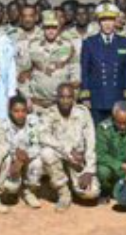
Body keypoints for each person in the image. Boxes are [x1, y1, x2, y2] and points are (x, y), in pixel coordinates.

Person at [38, 83, 98, 211]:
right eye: (62, 97)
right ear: (57, 98)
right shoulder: (49, 113)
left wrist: (89, 170)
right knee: (46, 153)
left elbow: (91, 142)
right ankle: (63, 193)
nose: (65, 101)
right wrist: (68, 150)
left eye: (69, 97)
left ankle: (73, 187)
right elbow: (43, 136)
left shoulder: (83, 112)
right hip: (60, 157)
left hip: (78, 161)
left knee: (91, 193)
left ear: (74, 98)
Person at [79, 2, 126, 123]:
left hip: (118, 95)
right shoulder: (89, 43)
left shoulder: (124, 42)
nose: (107, 24)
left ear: (115, 21)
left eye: (110, 20)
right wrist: (85, 96)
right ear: (98, 22)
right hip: (97, 97)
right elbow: (85, 71)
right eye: (104, 20)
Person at [18, 10, 79, 111]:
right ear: (43, 28)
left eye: (54, 27)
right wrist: (27, 97)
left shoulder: (68, 46)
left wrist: (73, 98)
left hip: (61, 103)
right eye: (48, 27)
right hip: (37, 103)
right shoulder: (32, 46)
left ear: (58, 27)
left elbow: (75, 73)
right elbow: (22, 74)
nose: (51, 31)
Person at [4, 95, 44, 209]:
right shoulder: (4, 125)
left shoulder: (33, 121)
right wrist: (15, 154)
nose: (20, 114)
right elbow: (3, 146)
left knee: (38, 162)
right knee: (10, 187)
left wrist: (22, 158)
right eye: (16, 111)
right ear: (10, 111)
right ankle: (9, 191)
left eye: (23, 111)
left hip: (27, 160)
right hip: (13, 162)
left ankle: (29, 191)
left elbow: (36, 145)